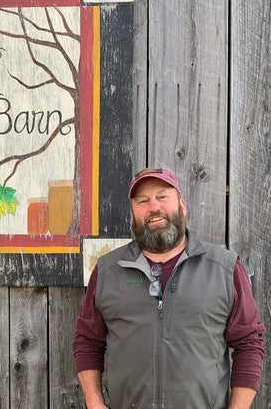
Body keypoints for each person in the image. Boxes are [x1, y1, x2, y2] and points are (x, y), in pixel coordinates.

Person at [73, 167, 265, 409]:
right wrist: (94, 402)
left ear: (182, 205)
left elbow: (249, 342)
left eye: (163, 196)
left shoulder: (224, 269)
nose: (154, 207)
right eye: (143, 201)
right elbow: (88, 340)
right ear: (132, 216)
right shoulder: (108, 271)